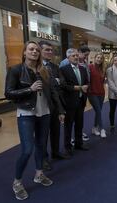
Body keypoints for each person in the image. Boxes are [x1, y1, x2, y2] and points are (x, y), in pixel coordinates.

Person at [5, 41, 65, 200]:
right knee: (27, 149)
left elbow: (52, 91)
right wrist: (29, 89)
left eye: (37, 50)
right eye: (31, 49)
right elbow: (9, 93)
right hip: (26, 113)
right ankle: (17, 182)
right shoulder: (16, 70)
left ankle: (39, 174)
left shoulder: (43, 70)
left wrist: (59, 110)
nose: (34, 52)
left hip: (44, 113)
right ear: (24, 52)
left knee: (41, 145)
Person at [39, 41, 68, 171]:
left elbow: (61, 81)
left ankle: (55, 152)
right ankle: (43, 159)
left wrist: (55, 81)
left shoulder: (55, 67)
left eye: (51, 50)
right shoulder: (37, 67)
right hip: (43, 104)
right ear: (40, 51)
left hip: (56, 103)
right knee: (44, 134)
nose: (50, 52)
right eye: (47, 50)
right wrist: (54, 81)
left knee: (56, 130)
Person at [60, 48, 90, 156]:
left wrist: (86, 86)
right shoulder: (63, 69)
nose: (76, 57)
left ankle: (79, 143)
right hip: (69, 103)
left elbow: (86, 81)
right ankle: (67, 147)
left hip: (81, 101)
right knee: (68, 126)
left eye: (77, 55)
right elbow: (63, 86)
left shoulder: (82, 69)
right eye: (73, 56)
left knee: (79, 124)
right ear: (68, 58)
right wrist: (78, 88)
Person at [88, 52, 107, 138]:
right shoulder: (90, 67)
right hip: (92, 93)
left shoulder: (103, 69)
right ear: (95, 58)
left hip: (101, 93)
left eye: (101, 58)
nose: (99, 59)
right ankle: (102, 129)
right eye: (98, 58)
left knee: (98, 111)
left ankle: (95, 128)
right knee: (98, 111)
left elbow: (103, 82)